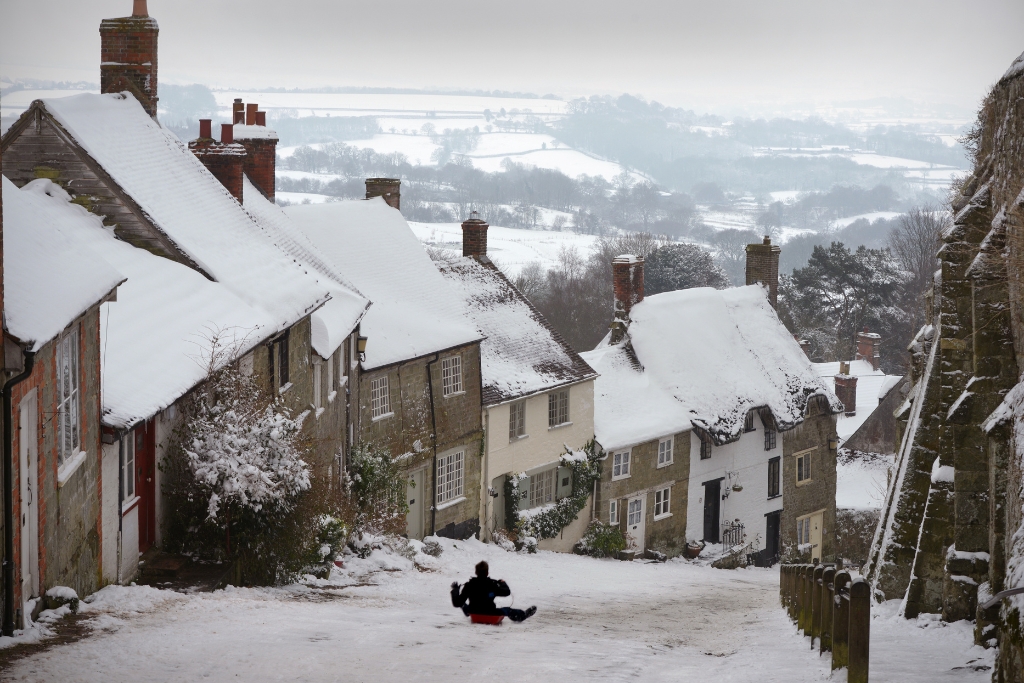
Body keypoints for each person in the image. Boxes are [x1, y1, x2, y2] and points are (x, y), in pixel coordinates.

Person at [451, 561, 536, 622]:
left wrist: (455, 590)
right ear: (487, 572)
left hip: (473, 611)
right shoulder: (492, 584)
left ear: (476, 572)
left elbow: (457, 603)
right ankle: (522, 615)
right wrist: (503, 583)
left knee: (463, 602)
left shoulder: (469, 585)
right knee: (507, 610)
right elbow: (506, 592)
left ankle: (467, 611)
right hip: (490, 612)